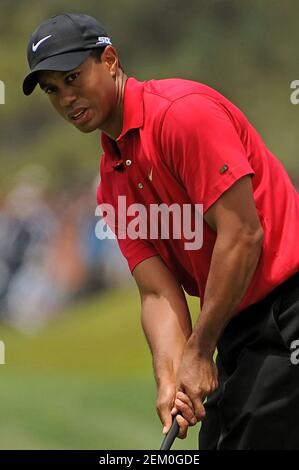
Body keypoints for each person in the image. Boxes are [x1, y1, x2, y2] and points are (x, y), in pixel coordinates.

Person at [23, 13, 299, 450]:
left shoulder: (181, 115)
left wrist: (198, 349)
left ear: (110, 60)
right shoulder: (112, 182)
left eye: (73, 77)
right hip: (235, 329)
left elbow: (244, 234)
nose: (66, 98)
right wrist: (169, 379)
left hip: (288, 310)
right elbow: (156, 292)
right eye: (53, 89)